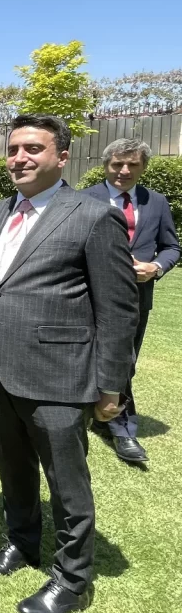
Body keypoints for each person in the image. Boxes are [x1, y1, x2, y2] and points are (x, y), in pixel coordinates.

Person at [0, 114, 138, 613]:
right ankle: (22, 542)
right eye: (13, 148)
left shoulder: (91, 215)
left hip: (60, 374)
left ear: (62, 156)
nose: (20, 158)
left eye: (33, 149)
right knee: (13, 466)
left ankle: (72, 580)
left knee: (66, 482)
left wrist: (111, 385)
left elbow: (117, 308)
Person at [81, 137, 179, 464]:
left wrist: (156, 266)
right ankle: (91, 416)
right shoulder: (82, 200)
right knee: (83, 356)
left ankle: (120, 425)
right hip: (87, 296)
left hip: (136, 299)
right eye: (117, 164)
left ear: (143, 167)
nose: (124, 170)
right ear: (106, 164)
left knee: (125, 360)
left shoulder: (157, 202)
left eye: (132, 164)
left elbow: (171, 247)